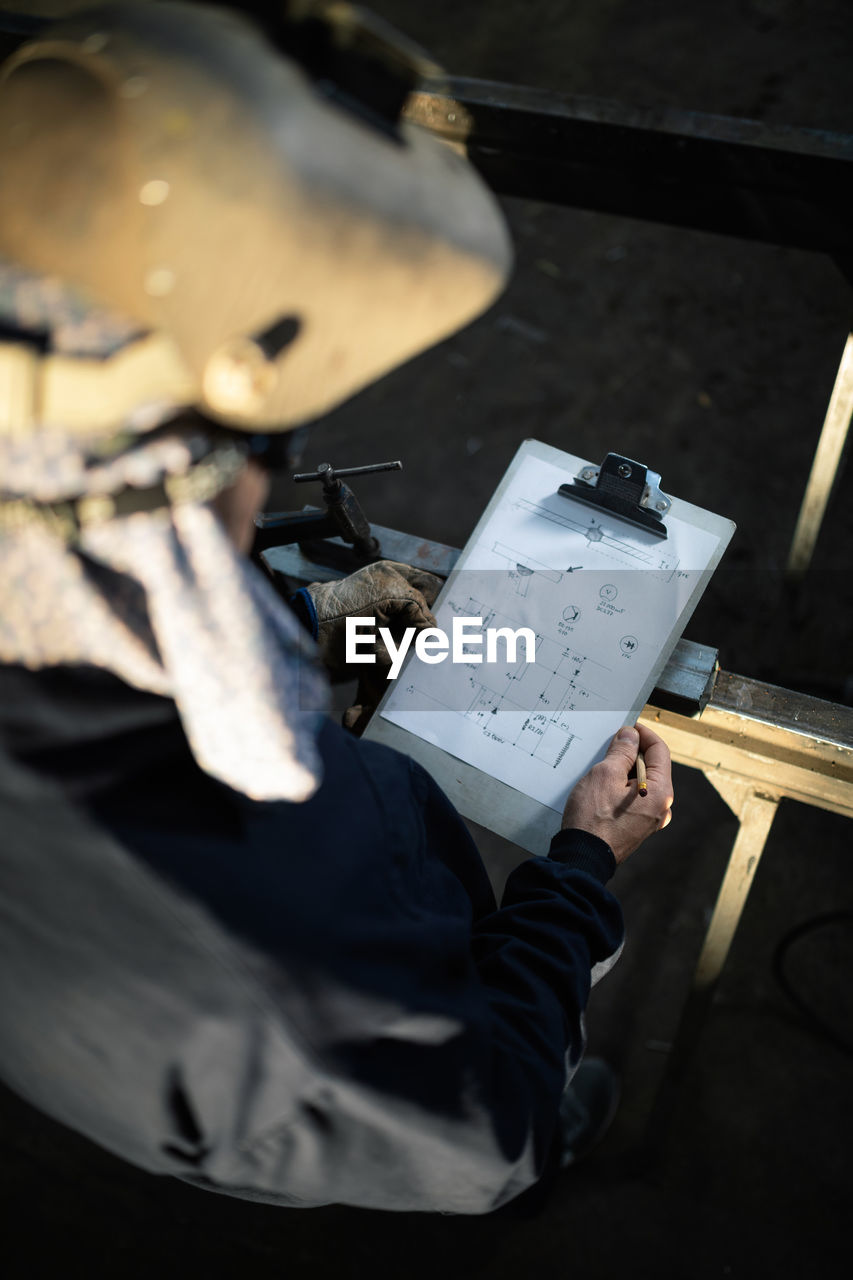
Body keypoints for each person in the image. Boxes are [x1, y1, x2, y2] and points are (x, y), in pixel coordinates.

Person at [0, 1, 673, 1214]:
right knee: (534, 1098)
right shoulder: (286, 949)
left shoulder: (60, 534)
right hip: (362, 1102)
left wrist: (336, 639)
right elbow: (484, 1132)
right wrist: (579, 869)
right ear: (200, 458)